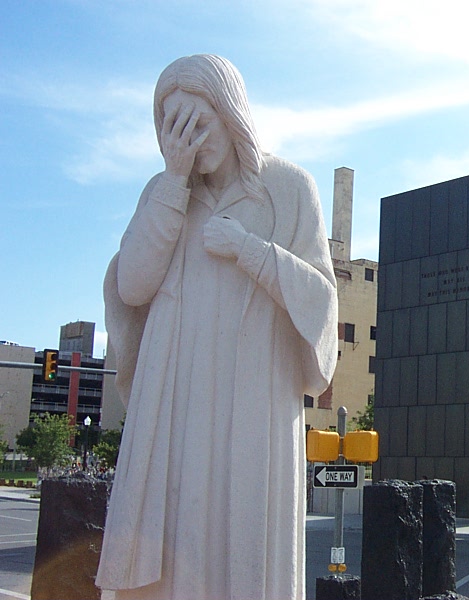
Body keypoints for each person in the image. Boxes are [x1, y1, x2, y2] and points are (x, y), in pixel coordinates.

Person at [96, 55, 338, 600]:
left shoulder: (288, 188)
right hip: (176, 398)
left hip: (254, 396)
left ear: (231, 116)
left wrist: (250, 251)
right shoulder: (164, 192)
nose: (187, 140)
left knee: (244, 535)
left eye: (197, 124)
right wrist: (172, 186)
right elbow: (132, 286)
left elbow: (322, 300)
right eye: (172, 127)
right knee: (178, 526)